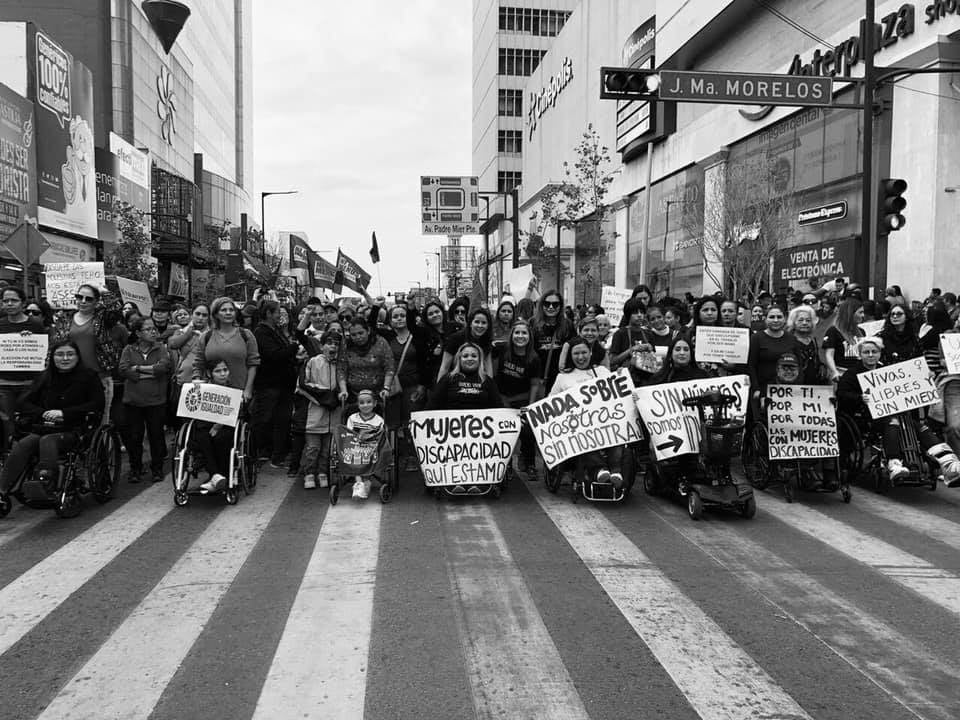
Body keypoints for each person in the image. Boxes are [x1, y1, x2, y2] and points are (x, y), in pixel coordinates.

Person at [835, 336, 957, 482]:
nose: (870, 355)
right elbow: (842, 394)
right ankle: (894, 462)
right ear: (860, 354)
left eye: (874, 351)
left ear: (880, 353)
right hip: (865, 417)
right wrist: (860, 397)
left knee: (918, 426)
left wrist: (925, 377)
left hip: (895, 413)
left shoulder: (886, 371)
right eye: (866, 352)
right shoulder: (852, 373)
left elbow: (908, 385)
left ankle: (947, 461)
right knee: (893, 422)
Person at [0, 340, 104, 502]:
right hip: (45, 426)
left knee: (48, 441)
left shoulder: (89, 376)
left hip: (75, 427)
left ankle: (46, 482)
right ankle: (2, 490)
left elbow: (97, 404)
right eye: (60, 354)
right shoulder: (44, 377)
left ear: (77, 357)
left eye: (70, 354)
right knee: (24, 444)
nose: (65, 359)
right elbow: (23, 402)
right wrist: (43, 413)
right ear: (52, 357)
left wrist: (64, 413)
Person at [550, 336, 624, 489]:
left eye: (584, 352)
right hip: (577, 427)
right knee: (582, 438)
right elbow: (551, 403)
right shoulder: (563, 377)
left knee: (618, 432)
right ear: (570, 356)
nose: (580, 357)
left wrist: (622, 377)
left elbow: (617, 394)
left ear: (590, 352)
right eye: (576, 354)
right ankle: (600, 469)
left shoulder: (602, 371)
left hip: (604, 421)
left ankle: (616, 471)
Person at [53, 284, 128, 423]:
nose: (83, 301)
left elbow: (116, 309)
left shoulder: (103, 319)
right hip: (71, 377)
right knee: (71, 418)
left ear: (96, 302)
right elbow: (56, 345)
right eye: (79, 297)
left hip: (99, 376)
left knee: (100, 420)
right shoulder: (65, 318)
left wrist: (105, 292)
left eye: (88, 299)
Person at [119, 317, 172, 483]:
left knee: (156, 435)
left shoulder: (161, 348)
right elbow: (124, 370)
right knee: (135, 436)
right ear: (138, 333)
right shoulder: (128, 349)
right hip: (133, 401)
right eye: (148, 329)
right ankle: (136, 468)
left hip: (156, 401)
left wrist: (140, 369)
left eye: (154, 329)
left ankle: (157, 469)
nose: (153, 332)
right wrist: (150, 372)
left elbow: (163, 367)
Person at [251, 300, 299, 468]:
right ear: (269, 314)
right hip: (270, 385)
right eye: (278, 311)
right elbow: (274, 355)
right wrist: (294, 347)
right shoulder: (261, 332)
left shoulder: (275, 330)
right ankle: (261, 452)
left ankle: (278, 455)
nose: (280, 315)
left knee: (283, 420)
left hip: (283, 384)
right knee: (266, 419)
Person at [0, 287, 46, 451]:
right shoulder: (1, 325)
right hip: (4, 384)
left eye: (14, 300)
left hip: (29, 383)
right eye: (6, 301)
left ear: (23, 303)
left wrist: (31, 340)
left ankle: (26, 453)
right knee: (7, 422)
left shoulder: (35, 325)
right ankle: (8, 454)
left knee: (28, 421)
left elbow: (43, 354)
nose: (9, 304)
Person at [495, 319, 542, 474]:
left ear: (529, 336)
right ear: (511, 335)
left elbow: (535, 384)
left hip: (522, 400)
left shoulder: (534, 358)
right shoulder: (502, 350)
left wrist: (529, 406)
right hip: (502, 399)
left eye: (524, 333)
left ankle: (529, 462)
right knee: (502, 433)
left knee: (527, 431)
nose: (520, 336)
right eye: (517, 332)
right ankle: (504, 463)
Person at [295, 331, 341, 489]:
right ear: (322, 346)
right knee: (313, 448)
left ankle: (322, 473)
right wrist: (323, 395)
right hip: (315, 412)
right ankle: (309, 473)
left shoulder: (342, 364)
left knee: (327, 449)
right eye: (329, 343)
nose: (333, 346)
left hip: (334, 413)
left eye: (336, 343)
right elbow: (302, 384)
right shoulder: (312, 362)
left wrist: (335, 398)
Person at [192, 297, 260, 401]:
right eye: (223, 310)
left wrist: (248, 389)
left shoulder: (246, 335)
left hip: (239, 393)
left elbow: (253, 364)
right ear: (216, 314)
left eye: (231, 310)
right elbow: (198, 363)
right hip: (211, 395)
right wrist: (196, 381)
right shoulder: (206, 337)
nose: (228, 313)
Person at [196, 360, 238, 494]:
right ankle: (215, 476)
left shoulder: (233, 389)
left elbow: (235, 412)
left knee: (220, 438)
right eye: (218, 371)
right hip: (206, 425)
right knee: (202, 437)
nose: (223, 374)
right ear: (210, 373)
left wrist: (218, 425)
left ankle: (222, 474)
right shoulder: (203, 389)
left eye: (225, 370)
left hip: (227, 426)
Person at [427, 342, 505, 411]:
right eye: (465, 356)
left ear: (479, 360)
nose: (470, 359)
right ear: (459, 359)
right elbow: (432, 405)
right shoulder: (448, 378)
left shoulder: (487, 381)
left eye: (474, 356)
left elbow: (499, 407)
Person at [337, 317, 395, 407]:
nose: (358, 337)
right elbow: (341, 369)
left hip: (378, 395)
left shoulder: (380, 343)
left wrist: (386, 388)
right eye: (354, 335)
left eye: (361, 333)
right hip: (353, 396)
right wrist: (343, 390)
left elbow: (389, 366)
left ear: (368, 330)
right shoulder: (346, 345)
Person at [748, 305, 797, 404]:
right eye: (771, 317)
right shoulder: (756, 338)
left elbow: (798, 364)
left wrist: (797, 388)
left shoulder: (792, 338)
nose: (775, 320)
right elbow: (751, 365)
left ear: (785, 319)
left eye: (779, 317)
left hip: (787, 389)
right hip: (763, 389)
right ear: (765, 319)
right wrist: (756, 388)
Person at [532, 290, 575, 392]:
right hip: (537, 378)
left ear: (560, 306)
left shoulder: (568, 325)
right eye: (547, 304)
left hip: (561, 377)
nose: (551, 307)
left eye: (555, 304)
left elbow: (574, 347)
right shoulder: (533, 323)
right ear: (542, 305)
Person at [346, 389, 385, 499]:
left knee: (367, 456)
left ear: (375, 404)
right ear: (357, 405)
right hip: (355, 445)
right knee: (355, 455)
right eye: (361, 403)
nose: (365, 405)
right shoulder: (352, 418)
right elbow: (348, 434)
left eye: (369, 402)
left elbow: (380, 436)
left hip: (372, 447)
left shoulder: (379, 420)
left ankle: (365, 482)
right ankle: (359, 483)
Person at [437, 307, 494, 380]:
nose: (480, 325)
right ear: (470, 323)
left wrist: (490, 388)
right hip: (455, 380)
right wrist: (439, 388)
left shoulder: (486, 340)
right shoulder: (455, 338)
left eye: (484, 323)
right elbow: (444, 367)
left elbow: (489, 369)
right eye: (477, 322)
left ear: (488, 326)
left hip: (476, 381)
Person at [823, 298, 864, 382]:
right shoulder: (833, 331)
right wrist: (834, 372)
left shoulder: (862, 332)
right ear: (850, 313)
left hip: (858, 376)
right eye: (860, 312)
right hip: (841, 375)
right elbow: (829, 355)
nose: (863, 315)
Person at [786, 304, 822, 385]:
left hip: (815, 386)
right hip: (794, 386)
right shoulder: (788, 341)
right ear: (793, 322)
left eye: (808, 320)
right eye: (800, 320)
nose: (804, 323)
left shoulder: (814, 341)